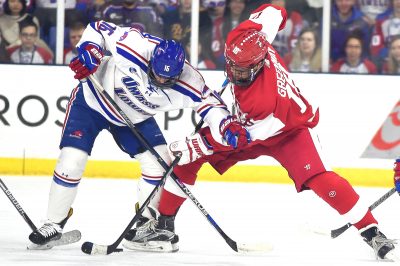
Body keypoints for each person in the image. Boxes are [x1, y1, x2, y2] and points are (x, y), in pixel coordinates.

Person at [124, 4, 398, 260]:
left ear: (257, 65)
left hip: (289, 130)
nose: (233, 73)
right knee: (191, 161)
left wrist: (195, 144)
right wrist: (276, 23)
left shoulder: (263, 100)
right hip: (251, 125)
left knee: (319, 179)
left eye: (241, 72)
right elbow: (275, 11)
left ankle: (373, 233)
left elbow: (239, 135)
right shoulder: (245, 37)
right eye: (231, 65)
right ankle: (164, 226)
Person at [27, 20, 250, 248]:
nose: (162, 80)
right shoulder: (134, 45)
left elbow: (211, 105)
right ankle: (53, 224)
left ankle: (148, 227)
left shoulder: (189, 80)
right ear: (151, 60)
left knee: (160, 162)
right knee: (72, 159)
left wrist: (226, 125)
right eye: (157, 75)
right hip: (93, 100)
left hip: (134, 118)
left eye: (168, 79)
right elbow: (98, 29)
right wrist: (90, 50)